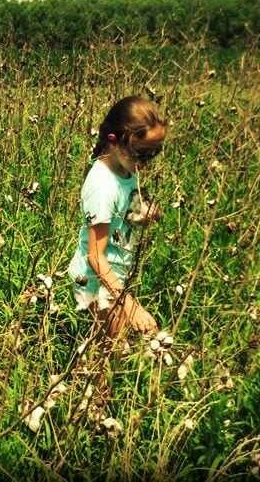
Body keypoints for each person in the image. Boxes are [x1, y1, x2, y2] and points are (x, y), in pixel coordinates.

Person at [68, 95, 167, 341]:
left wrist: (144, 210)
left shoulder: (126, 168)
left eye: (155, 152)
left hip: (116, 274)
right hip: (96, 281)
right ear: (113, 141)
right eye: (141, 153)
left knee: (110, 349)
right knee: (113, 353)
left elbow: (128, 205)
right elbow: (94, 255)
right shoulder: (103, 187)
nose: (146, 162)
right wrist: (130, 305)